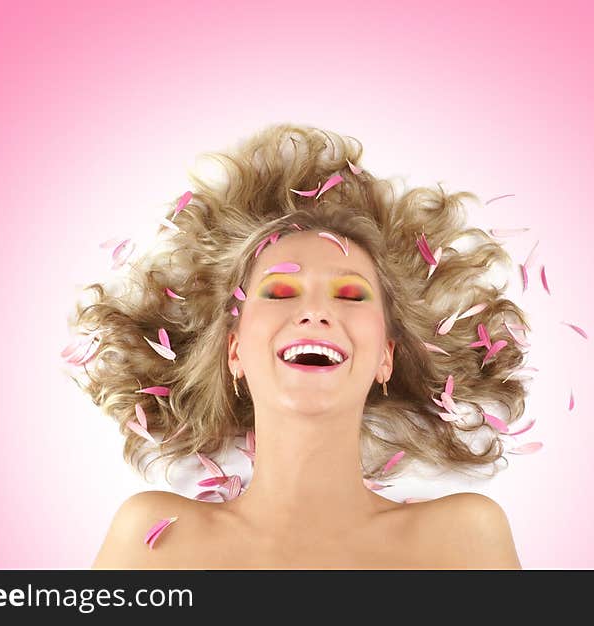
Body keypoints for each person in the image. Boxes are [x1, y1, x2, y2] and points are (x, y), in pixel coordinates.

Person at [70, 124, 529, 568]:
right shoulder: (156, 536)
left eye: (350, 295)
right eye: (280, 293)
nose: (315, 312)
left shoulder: (464, 538)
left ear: (385, 357)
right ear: (234, 352)